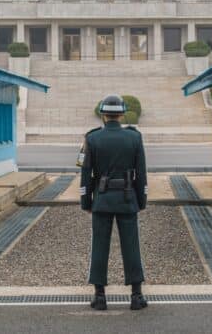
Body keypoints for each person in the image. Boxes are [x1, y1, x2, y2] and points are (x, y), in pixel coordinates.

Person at [80, 95, 148, 311]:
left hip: (102, 199)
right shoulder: (134, 138)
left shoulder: (91, 139)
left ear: (103, 114)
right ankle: (136, 296)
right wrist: (141, 200)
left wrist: (86, 201)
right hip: (128, 198)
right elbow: (142, 173)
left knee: (99, 246)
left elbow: (85, 173)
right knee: (132, 246)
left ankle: (99, 296)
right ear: (122, 113)